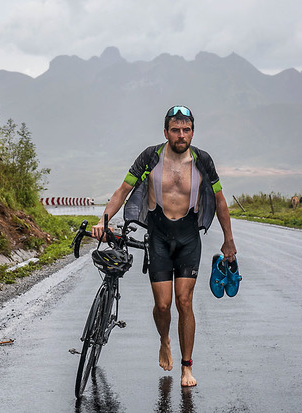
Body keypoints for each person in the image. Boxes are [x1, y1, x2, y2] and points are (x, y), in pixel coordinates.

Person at [91, 105, 237, 387]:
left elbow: (219, 201)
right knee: (162, 305)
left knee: (184, 302)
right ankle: (164, 339)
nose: (181, 135)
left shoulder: (203, 161)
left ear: (192, 131)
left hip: (188, 236)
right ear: (166, 132)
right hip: (158, 235)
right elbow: (123, 189)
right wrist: (104, 219)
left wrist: (228, 240)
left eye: (186, 130)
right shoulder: (150, 157)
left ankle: (186, 367)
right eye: (175, 130)